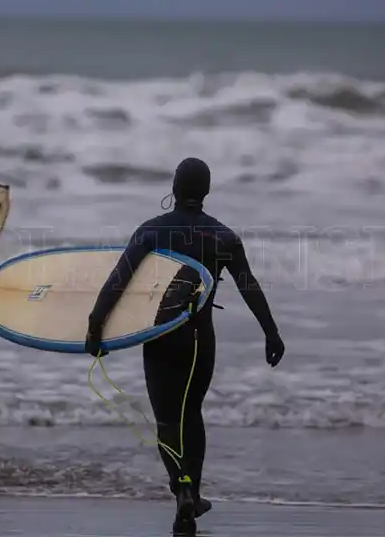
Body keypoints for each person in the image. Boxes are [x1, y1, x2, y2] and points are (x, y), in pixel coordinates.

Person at [84, 157, 286, 531]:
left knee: (166, 419)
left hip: (160, 339)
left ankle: (182, 489)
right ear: (206, 191)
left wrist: (96, 327)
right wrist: (271, 333)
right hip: (199, 340)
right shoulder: (223, 237)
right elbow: (249, 286)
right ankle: (194, 488)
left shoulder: (150, 232)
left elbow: (118, 282)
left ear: (174, 189)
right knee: (191, 413)